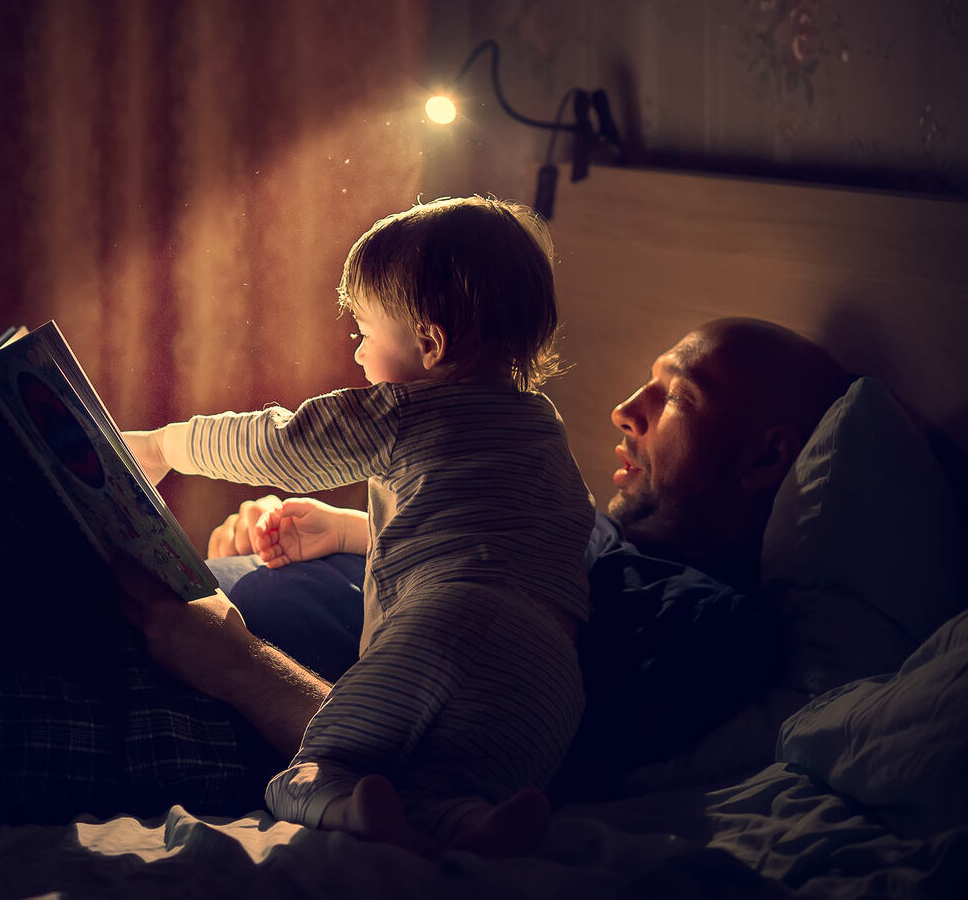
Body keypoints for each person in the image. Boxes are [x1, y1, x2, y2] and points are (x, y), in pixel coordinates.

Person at [205, 315, 853, 798]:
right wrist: (324, 537)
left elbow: (462, 770)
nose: (625, 411)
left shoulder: (704, 624)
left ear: (768, 458)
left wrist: (234, 660)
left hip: (210, 705)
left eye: (678, 396)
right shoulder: (566, 524)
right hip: (195, 622)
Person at [121, 196, 593, 853]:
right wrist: (347, 530)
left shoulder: (407, 410)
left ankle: (342, 801)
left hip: (444, 624)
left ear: (429, 342)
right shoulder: (545, 429)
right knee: (447, 790)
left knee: (312, 770)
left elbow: (277, 445)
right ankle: (474, 825)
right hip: (546, 673)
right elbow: (493, 534)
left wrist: (159, 446)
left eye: (364, 332)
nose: (358, 353)